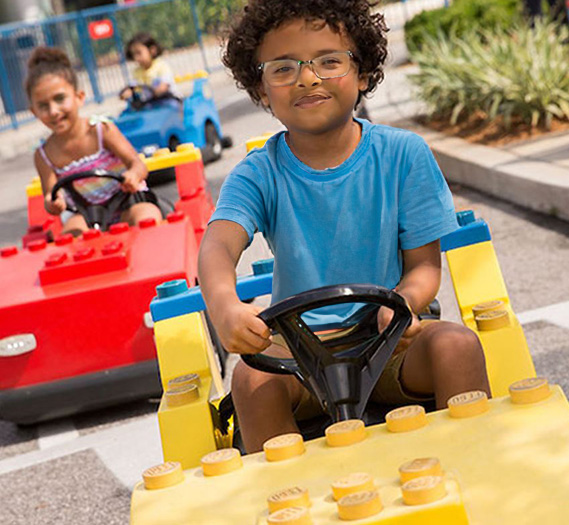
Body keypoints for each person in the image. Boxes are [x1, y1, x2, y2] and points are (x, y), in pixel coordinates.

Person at [198, 0, 491, 453]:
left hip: (390, 340)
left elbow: (424, 269)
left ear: (364, 73)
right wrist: (225, 307)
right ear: (260, 89)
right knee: (251, 379)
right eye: (283, 69)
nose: (308, 79)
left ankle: (477, 469)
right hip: (297, 357)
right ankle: (283, 502)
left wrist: (406, 302)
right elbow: (217, 248)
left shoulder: (403, 154)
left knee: (455, 344)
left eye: (329, 61)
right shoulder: (258, 173)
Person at [27, 47, 162, 236]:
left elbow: (138, 164)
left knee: (148, 217)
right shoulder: (43, 155)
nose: (53, 111)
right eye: (43, 106)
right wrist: (53, 203)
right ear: (33, 112)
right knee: (70, 233)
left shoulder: (101, 130)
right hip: (84, 216)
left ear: (79, 97)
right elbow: (51, 195)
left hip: (128, 204)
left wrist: (133, 174)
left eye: (60, 99)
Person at [121, 33, 180, 104]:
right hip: (151, 104)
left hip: (170, 101)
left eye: (139, 53)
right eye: (134, 54)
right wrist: (128, 92)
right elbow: (133, 86)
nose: (136, 58)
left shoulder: (161, 66)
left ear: (152, 50)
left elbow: (164, 86)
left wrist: (158, 90)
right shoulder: (137, 72)